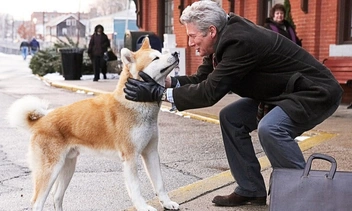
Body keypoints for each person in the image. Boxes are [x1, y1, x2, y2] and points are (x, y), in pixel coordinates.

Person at [123, 0, 343, 207]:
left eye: (192, 36)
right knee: (231, 117)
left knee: (271, 128)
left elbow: (210, 92)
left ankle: (307, 195)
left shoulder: (240, 42)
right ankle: (250, 189)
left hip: (314, 92)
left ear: (211, 31)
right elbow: (202, 79)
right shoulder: (221, 38)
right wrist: (165, 81)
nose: (190, 43)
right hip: (282, 93)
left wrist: (158, 93)